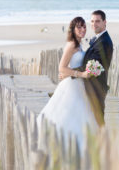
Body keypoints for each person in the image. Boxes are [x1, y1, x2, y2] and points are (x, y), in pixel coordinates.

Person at [36, 17, 99, 153]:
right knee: (68, 113)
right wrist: (81, 75)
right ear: (73, 29)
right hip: (72, 84)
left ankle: (80, 145)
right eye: (79, 27)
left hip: (78, 84)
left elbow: (72, 67)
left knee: (79, 114)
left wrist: (85, 71)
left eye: (84, 27)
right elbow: (61, 68)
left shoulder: (79, 44)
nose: (82, 30)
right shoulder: (72, 45)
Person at [60, 10, 113, 127]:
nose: (94, 24)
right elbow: (65, 66)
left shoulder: (104, 41)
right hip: (85, 86)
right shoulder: (77, 44)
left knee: (96, 119)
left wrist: (70, 73)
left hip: (96, 87)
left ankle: (101, 143)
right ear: (73, 29)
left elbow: (92, 64)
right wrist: (71, 73)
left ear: (105, 22)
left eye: (98, 21)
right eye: (92, 21)